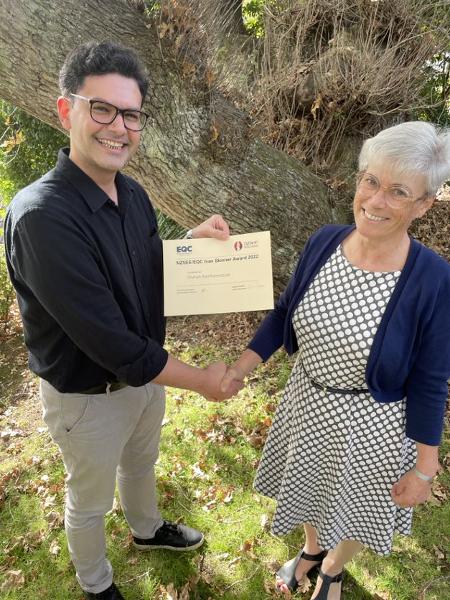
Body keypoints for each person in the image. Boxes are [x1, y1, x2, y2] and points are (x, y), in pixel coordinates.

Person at [4, 41, 241, 600]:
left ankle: (146, 529)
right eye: (102, 109)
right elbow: (112, 343)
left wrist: (190, 249)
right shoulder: (41, 218)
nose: (119, 127)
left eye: (130, 114)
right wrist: (204, 381)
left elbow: (146, 266)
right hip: (86, 398)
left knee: (141, 464)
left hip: (145, 381)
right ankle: (96, 584)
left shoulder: (131, 193)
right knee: (87, 501)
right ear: (67, 111)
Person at [221, 121, 450, 599]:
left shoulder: (431, 277)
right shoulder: (324, 240)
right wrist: (242, 367)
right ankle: (310, 549)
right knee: (306, 487)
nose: (376, 200)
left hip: (373, 422)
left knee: (356, 506)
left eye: (398, 191)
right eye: (371, 181)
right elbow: (285, 311)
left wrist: (425, 468)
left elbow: (431, 378)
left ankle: (333, 569)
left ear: (424, 204)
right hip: (308, 401)